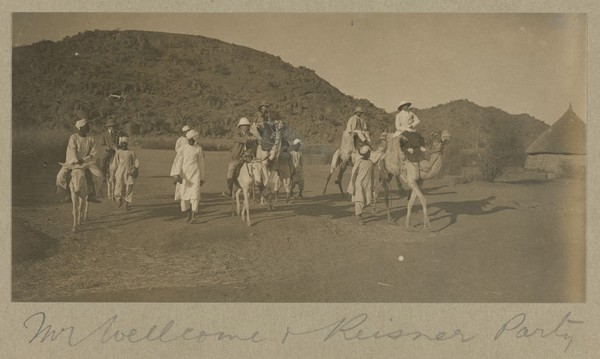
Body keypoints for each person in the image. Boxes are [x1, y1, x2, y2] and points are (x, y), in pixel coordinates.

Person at [56, 115, 102, 203]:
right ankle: (68, 194)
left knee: (98, 175)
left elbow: (93, 152)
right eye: (86, 126)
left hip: (86, 163)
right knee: (60, 176)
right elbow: (72, 150)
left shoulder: (91, 139)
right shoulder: (73, 137)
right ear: (81, 128)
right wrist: (76, 161)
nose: (88, 128)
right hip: (72, 162)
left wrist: (84, 160)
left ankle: (92, 194)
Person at [172, 130, 206, 222]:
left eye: (192, 139)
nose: (190, 141)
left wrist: (202, 178)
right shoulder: (183, 148)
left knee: (195, 194)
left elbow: (201, 164)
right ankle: (188, 214)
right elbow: (178, 162)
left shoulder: (199, 149)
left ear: (195, 140)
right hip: (185, 175)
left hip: (195, 174)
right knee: (184, 195)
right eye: (189, 139)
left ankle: (194, 216)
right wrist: (177, 175)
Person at [222, 117, 258, 198]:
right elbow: (240, 139)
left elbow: (254, 146)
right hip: (237, 157)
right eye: (244, 125)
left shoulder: (250, 134)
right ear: (240, 126)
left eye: (247, 125)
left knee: (257, 168)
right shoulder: (237, 133)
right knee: (230, 171)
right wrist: (250, 138)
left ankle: (261, 188)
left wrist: (250, 151)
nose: (246, 127)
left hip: (248, 157)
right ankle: (229, 190)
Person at [347, 145, 374, 225]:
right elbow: (354, 173)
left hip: (368, 184)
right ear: (364, 153)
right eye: (368, 153)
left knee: (367, 201)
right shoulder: (359, 161)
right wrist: (353, 186)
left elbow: (372, 175)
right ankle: (360, 218)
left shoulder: (370, 162)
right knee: (359, 201)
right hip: (359, 184)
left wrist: (372, 185)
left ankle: (359, 212)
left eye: (369, 153)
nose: (369, 154)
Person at [113, 136, 139, 211]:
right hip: (120, 172)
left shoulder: (131, 152)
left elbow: (136, 161)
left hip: (129, 172)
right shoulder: (118, 152)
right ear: (120, 144)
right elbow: (115, 163)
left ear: (127, 144)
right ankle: (120, 200)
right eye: (122, 143)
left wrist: (136, 169)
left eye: (125, 143)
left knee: (129, 188)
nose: (124, 145)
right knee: (118, 187)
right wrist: (112, 173)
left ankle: (127, 204)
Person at [170, 125, 191, 198]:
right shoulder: (180, 139)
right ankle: (177, 177)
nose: (187, 133)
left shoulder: (191, 139)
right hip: (181, 157)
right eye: (186, 132)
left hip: (189, 158)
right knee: (180, 171)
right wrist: (183, 150)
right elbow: (177, 148)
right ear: (183, 132)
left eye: (188, 131)